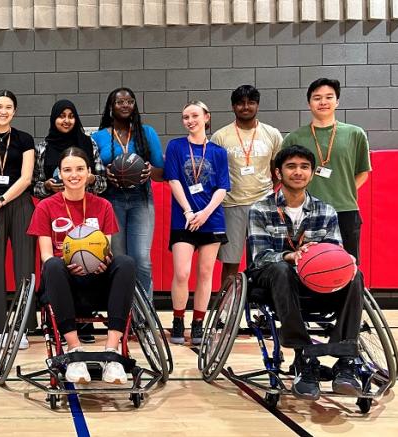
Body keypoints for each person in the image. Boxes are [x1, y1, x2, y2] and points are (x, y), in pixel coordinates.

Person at [247, 145, 363, 400]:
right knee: (281, 269)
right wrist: (289, 256)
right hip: (272, 281)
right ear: (278, 173)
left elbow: (334, 256)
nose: (297, 172)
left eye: (304, 167)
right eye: (291, 166)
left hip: (316, 284)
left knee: (354, 273)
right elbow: (258, 258)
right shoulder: (260, 209)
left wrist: (338, 260)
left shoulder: (326, 211)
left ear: (311, 174)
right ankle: (304, 356)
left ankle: (345, 360)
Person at [26, 147, 135, 385]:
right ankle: (74, 353)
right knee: (53, 264)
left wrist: (102, 262)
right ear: (59, 174)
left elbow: (104, 250)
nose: (73, 175)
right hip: (63, 282)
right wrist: (67, 264)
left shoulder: (103, 206)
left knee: (124, 262)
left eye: (79, 169)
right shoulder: (46, 207)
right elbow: (45, 255)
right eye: (67, 170)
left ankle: (113, 354)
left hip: (96, 283)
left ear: (88, 173)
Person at [281, 78, 371, 263]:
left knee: (347, 265)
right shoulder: (294, 137)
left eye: (329, 97)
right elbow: (285, 175)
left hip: (345, 210)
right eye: (317, 98)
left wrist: (346, 191)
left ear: (337, 101)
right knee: (307, 265)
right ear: (309, 103)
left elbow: (363, 171)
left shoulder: (355, 134)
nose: (323, 102)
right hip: (305, 211)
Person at [164, 101, 230, 346]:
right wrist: (189, 211)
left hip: (211, 219)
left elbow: (222, 188)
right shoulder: (176, 146)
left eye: (194, 116)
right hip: (184, 220)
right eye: (185, 117)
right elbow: (173, 180)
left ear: (206, 117)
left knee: (205, 273)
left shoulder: (218, 152)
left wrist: (205, 213)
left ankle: (199, 323)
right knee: (181, 273)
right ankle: (178, 319)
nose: (190, 120)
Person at [91, 88, 164, 300]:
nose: (125, 105)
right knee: (118, 258)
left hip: (141, 198)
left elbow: (161, 173)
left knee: (141, 258)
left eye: (130, 101)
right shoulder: (98, 137)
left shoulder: (146, 132)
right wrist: (104, 173)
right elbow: (93, 172)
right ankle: (122, 313)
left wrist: (151, 171)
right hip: (111, 200)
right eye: (120, 102)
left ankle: (144, 317)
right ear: (111, 107)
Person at [0, 90, 36, 350]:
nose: (3, 111)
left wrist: (0, 202)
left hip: (19, 203)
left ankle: (21, 327)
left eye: (8, 107)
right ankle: (0, 329)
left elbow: (26, 178)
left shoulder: (24, 139)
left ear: (15, 111)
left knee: (24, 269)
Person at [210, 85, 283, 289]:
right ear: (233, 106)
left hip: (263, 206)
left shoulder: (272, 133)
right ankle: (225, 312)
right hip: (231, 206)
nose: (245, 107)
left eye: (250, 102)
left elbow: (277, 168)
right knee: (230, 262)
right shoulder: (220, 136)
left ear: (257, 105)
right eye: (240, 103)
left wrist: (268, 190)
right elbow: (214, 174)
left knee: (263, 261)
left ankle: (260, 311)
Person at [32, 99, 107, 200]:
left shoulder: (89, 143)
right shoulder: (42, 149)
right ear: (54, 119)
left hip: (85, 206)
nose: (67, 121)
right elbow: (35, 188)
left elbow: (103, 184)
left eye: (71, 116)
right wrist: (47, 186)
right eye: (62, 116)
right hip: (55, 207)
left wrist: (92, 179)